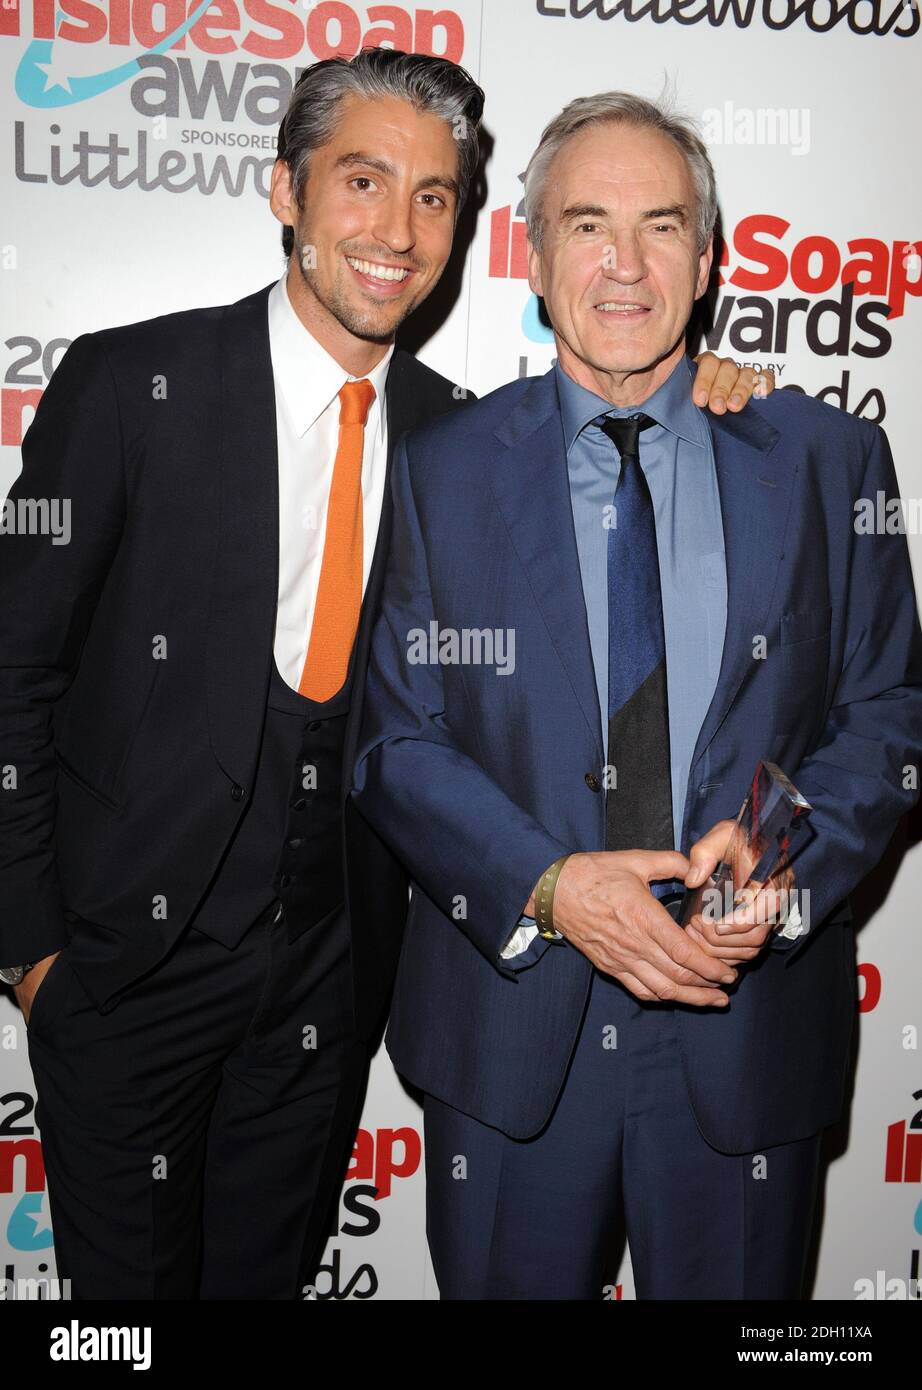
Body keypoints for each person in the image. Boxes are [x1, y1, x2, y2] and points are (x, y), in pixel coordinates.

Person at [0, 50, 769, 1299]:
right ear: (285, 193)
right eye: (363, 181)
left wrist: (722, 396)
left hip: (329, 988)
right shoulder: (133, 386)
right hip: (118, 978)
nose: (398, 230)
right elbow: (12, 671)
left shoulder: (460, 436)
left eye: (434, 197)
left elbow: (636, 443)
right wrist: (35, 959)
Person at [351, 90, 922, 1299]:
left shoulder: (826, 461)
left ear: (707, 259)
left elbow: (885, 715)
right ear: (534, 252)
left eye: (661, 227)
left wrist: (779, 871)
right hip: (514, 1033)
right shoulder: (441, 470)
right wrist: (554, 890)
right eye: (586, 225)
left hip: (746, 1025)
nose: (623, 265)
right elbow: (397, 740)